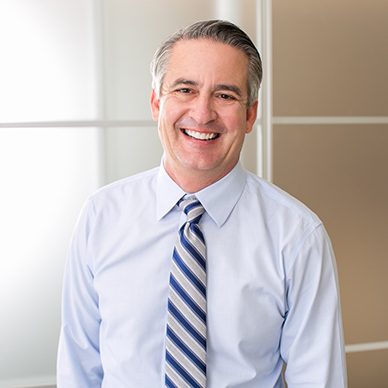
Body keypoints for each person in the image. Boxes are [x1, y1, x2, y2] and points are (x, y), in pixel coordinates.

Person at [57, 20, 347, 387]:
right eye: (185, 89)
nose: (202, 113)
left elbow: (319, 380)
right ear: (156, 103)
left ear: (250, 115)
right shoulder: (101, 216)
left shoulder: (298, 236)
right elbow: (79, 370)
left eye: (225, 95)